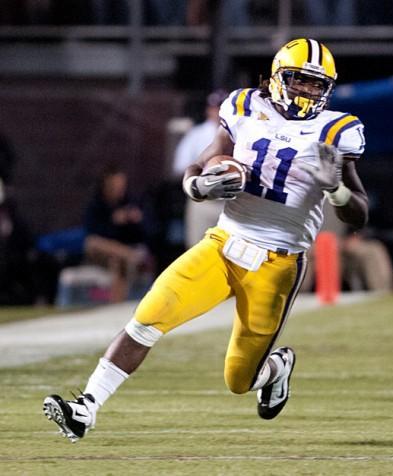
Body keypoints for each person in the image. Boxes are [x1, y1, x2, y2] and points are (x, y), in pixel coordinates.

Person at [43, 38, 369, 442]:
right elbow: (203, 162)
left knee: (239, 378)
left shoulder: (338, 129)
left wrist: (335, 188)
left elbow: (359, 211)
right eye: (299, 80)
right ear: (276, 77)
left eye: (316, 85)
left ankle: (276, 369)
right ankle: (85, 408)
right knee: (148, 317)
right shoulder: (245, 105)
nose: (307, 91)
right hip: (224, 243)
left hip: (278, 264)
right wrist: (198, 185)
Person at [83, 164, 153, 303]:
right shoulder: (96, 206)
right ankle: (127, 254)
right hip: (102, 253)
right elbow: (93, 233)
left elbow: (147, 232)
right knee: (93, 243)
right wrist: (113, 222)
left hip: (121, 255)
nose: (119, 189)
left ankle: (115, 306)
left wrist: (134, 221)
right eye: (115, 186)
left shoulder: (131, 202)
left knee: (117, 261)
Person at [173, 89, 228, 248]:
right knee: (196, 250)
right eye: (215, 107)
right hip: (203, 201)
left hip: (231, 202)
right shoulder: (196, 134)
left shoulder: (241, 134)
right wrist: (201, 177)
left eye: (221, 107)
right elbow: (180, 167)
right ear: (208, 109)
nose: (217, 112)